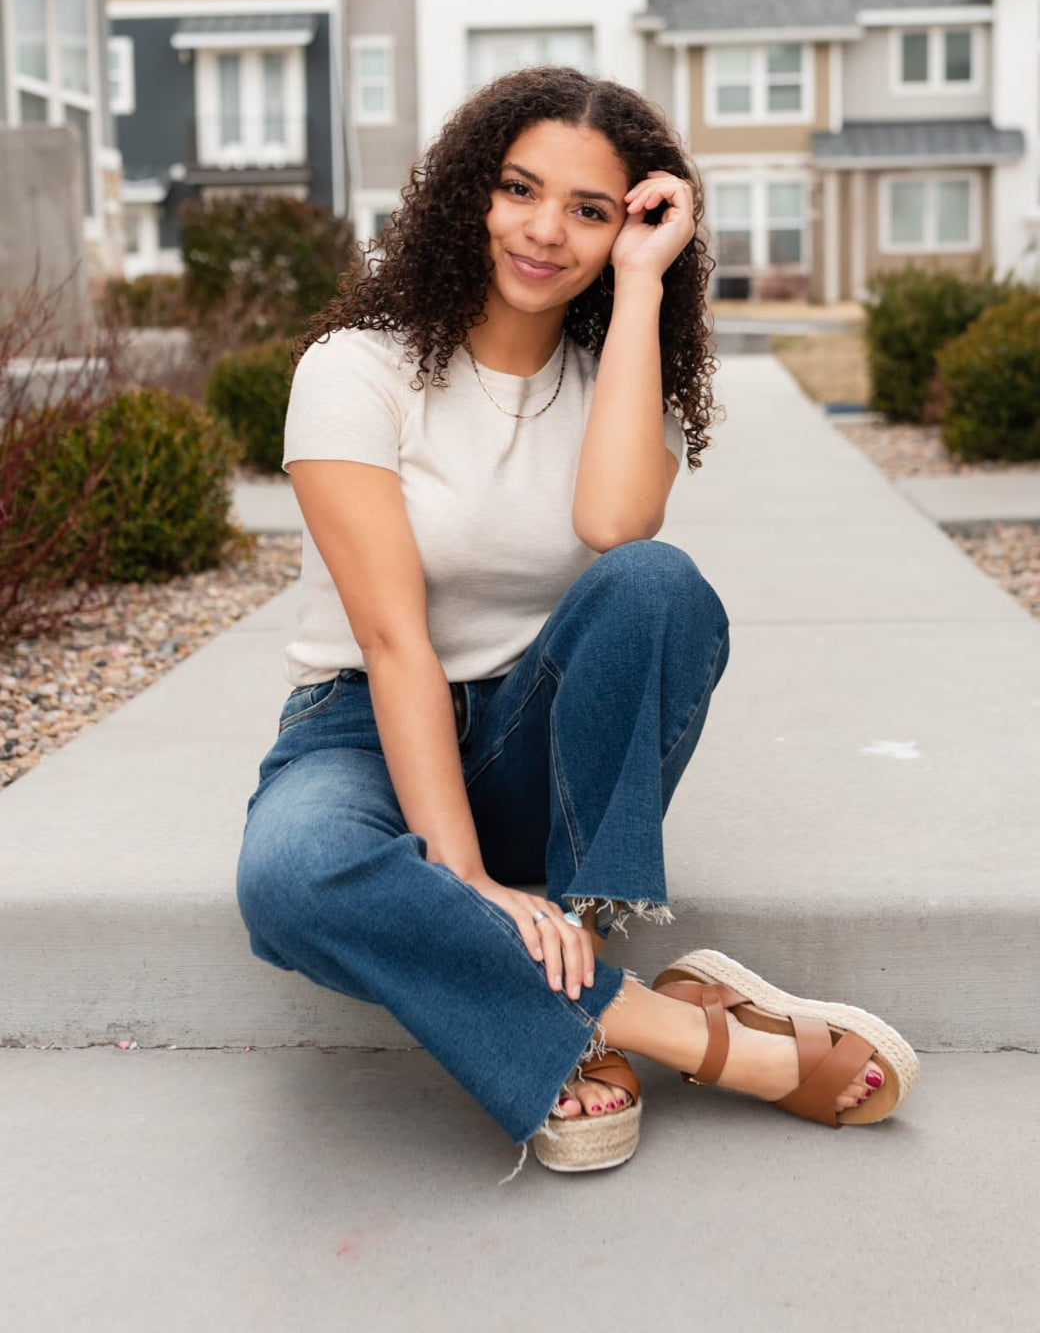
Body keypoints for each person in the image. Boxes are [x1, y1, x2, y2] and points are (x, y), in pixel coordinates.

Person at [235, 65, 918, 1180]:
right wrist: (462, 879)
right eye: (519, 190)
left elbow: (614, 527)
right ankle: (678, 1030)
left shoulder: (618, 373)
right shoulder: (352, 371)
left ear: (622, 229)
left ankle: (573, 937)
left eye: (590, 211)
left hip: (535, 738)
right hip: (361, 725)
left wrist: (644, 287)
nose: (545, 232)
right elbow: (396, 641)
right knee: (289, 875)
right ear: (470, 194)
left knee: (656, 582)